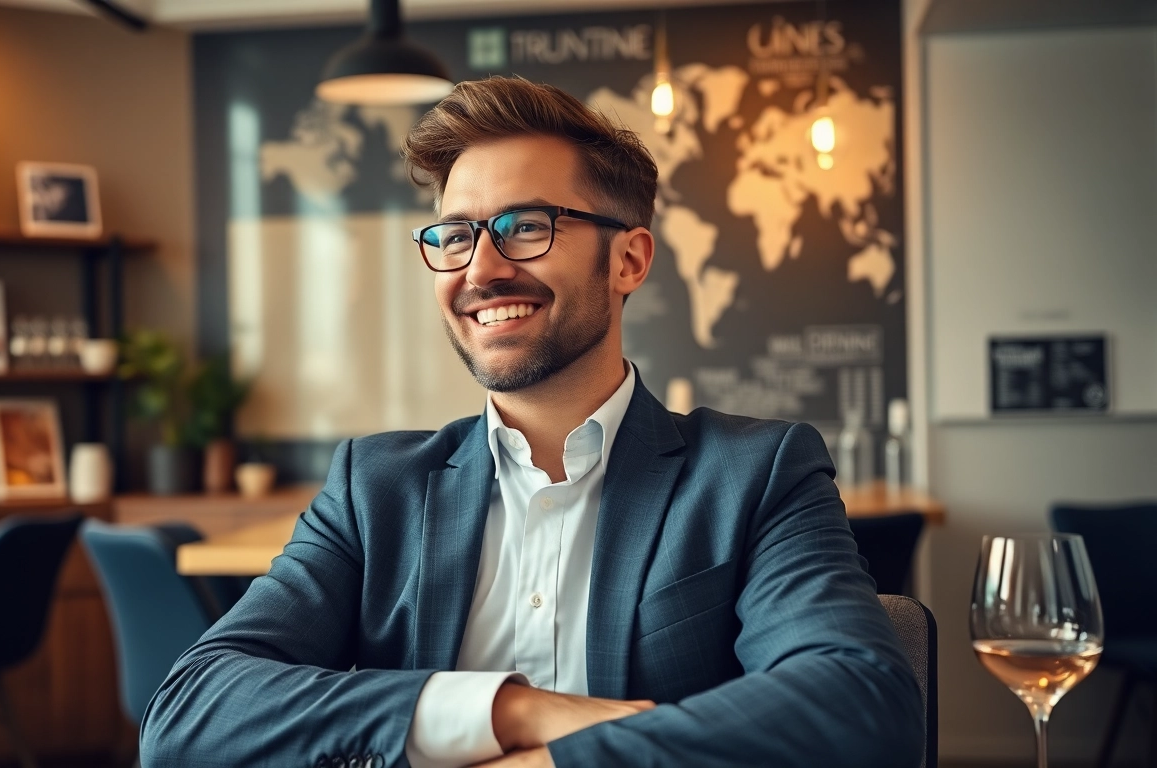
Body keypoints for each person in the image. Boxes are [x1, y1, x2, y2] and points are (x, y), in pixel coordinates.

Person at [140, 76, 923, 768]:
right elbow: (190, 714)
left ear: (629, 260)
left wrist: (565, 758)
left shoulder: (756, 473)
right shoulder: (372, 489)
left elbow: (860, 702)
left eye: (524, 225)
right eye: (454, 236)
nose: (480, 270)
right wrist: (508, 710)